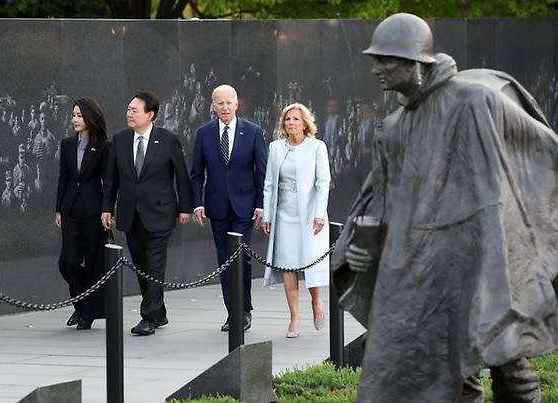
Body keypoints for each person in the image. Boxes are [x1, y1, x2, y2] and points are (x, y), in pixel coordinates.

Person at [333, 13, 558, 403]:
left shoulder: (474, 100)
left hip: (482, 252)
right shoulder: (394, 126)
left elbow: (536, 153)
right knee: (448, 367)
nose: (376, 69)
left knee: (506, 355)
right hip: (423, 269)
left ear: (415, 63)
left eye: (385, 60)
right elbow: (381, 199)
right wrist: (360, 246)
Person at [102, 91, 192, 336]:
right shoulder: (119, 140)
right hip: (130, 214)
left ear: (150, 114)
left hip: (160, 213)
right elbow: (111, 179)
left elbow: (181, 176)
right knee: (141, 265)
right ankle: (159, 312)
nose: (129, 114)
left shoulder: (168, 140)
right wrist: (106, 208)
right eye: (128, 109)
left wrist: (185, 207)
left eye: (134, 110)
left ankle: (148, 317)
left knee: (154, 265)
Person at [190, 84, 267, 332]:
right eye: (219, 103)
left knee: (241, 258)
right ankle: (233, 312)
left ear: (237, 104)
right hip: (217, 207)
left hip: (245, 207)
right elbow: (196, 173)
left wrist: (260, 206)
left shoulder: (253, 132)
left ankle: (244, 309)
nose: (224, 107)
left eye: (228, 102)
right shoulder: (204, 133)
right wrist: (198, 203)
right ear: (213, 106)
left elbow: (262, 172)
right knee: (224, 259)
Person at [261, 103, 330, 338]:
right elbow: (269, 183)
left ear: (305, 123)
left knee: (310, 261)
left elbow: (323, 183)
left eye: (295, 119)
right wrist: (268, 216)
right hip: (284, 213)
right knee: (289, 265)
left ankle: (316, 302)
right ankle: (294, 317)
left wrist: (320, 214)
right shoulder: (275, 148)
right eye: (287, 119)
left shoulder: (317, 147)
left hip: (310, 213)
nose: (291, 123)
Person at [55, 97, 109, 330]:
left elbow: (108, 181)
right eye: (73, 115)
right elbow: (63, 178)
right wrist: (58, 208)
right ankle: (82, 302)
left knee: (95, 261)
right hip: (70, 210)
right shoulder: (67, 144)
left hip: (94, 212)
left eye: (79, 115)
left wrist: (108, 210)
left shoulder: (104, 145)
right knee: (67, 262)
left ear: (89, 117)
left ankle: (86, 312)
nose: (75, 119)